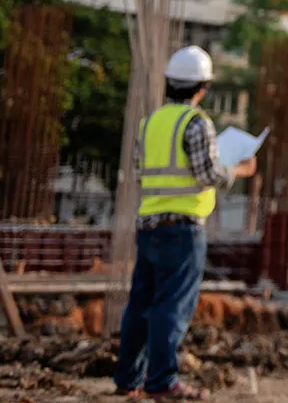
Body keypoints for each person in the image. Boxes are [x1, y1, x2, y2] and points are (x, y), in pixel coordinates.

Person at [114, 45, 256, 401]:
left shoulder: (149, 123)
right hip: (182, 229)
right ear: (202, 88)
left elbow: (139, 169)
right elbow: (207, 173)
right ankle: (161, 382)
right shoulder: (196, 123)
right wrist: (239, 169)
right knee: (171, 306)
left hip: (148, 224)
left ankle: (128, 379)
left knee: (141, 304)